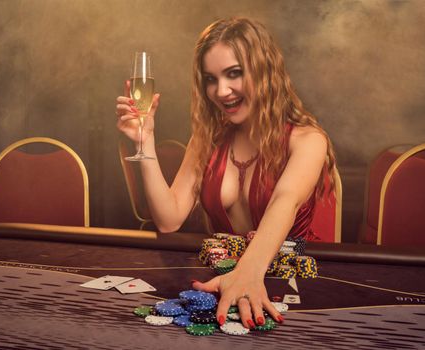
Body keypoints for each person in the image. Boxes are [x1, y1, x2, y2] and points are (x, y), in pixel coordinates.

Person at [116, 17, 336, 330]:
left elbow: (284, 203)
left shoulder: (309, 140)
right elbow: (169, 218)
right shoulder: (207, 140)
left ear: (264, 70)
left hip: (292, 284)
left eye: (234, 73)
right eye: (211, 79)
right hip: (223, 277)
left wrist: (247, 274)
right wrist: (145, 142)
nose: (221, 91)